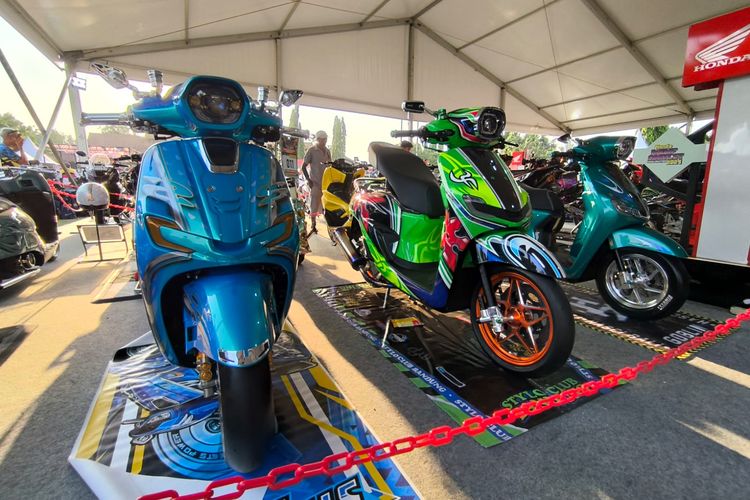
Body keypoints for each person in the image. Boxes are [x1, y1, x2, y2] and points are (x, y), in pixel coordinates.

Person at [301, 130, 331, 232]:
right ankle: (313, 225)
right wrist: (308, 180)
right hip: (315, 183)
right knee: (314, 206)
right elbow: (303, 167)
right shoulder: (312, 150)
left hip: (326, 185)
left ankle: (330, 228)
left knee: (326, 207)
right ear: (317, 140)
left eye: (325, 140)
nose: (323, 142)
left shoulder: (328, 151)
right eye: (321, 140)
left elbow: (330, 167)